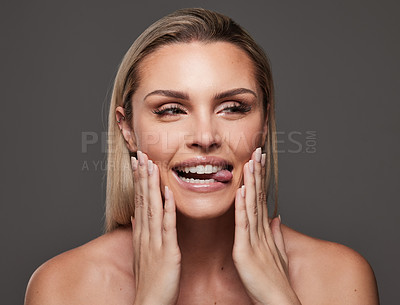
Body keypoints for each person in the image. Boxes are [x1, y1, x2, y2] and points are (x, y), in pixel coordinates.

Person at [24, 8, 379, 305]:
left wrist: (279, 298)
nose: (206, 137)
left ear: (265, 122)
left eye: (233, 108)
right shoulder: (64, 287)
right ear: (127, 129)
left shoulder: (340, 278)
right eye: (171, 110)